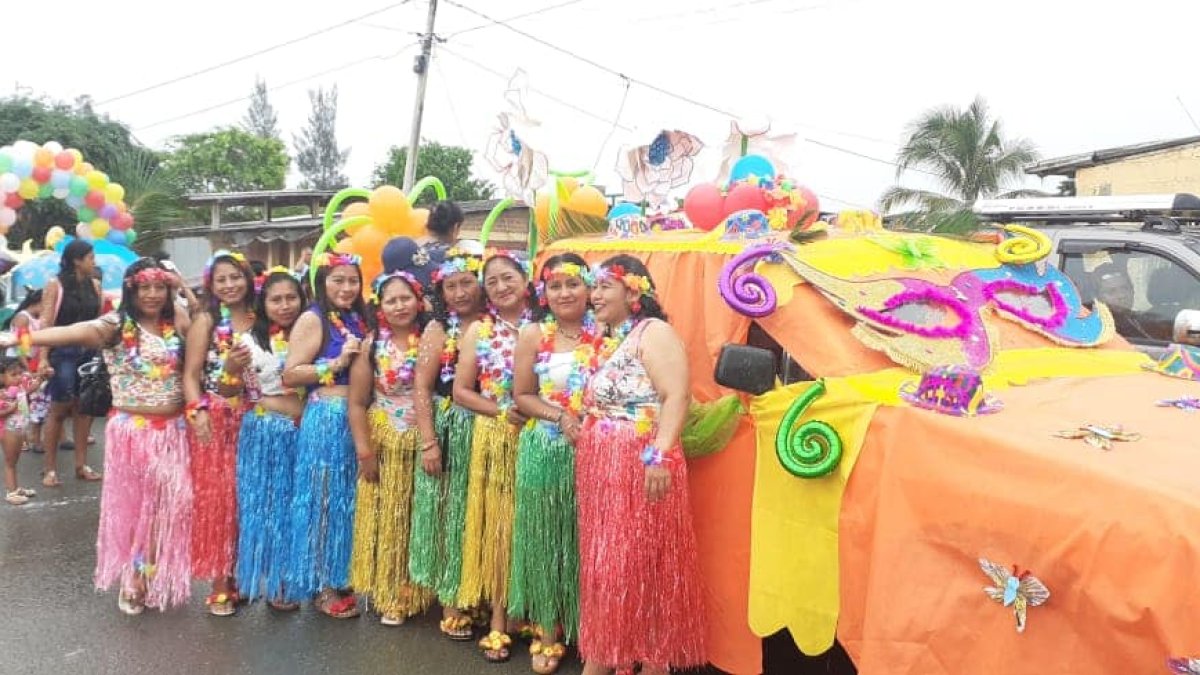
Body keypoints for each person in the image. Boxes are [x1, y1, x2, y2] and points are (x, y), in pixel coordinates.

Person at [2, 258, 194, 613]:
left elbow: (200, 344)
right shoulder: (114, 326)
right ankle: (133, 576)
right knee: (136, 508)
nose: (153, 295)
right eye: (144, 287)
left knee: (166, 507)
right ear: (131, 290)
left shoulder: (178, 319)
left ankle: (150, 568)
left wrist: (184, 288)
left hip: (173, 432)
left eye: (160, 287)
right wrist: (19, 338)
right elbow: (72, 331)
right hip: (133, 434)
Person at [575, 255, 705, 675]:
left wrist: (660, 454)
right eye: (593, 287)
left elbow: (676, 396)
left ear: (633, 290)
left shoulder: (654, 332)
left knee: (638, 569)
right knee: (608, 568)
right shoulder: (609, 337)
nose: (594, 296)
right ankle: (612, 654)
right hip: (604, 469)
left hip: (642, 465)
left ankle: (650, 663)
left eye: (604, 287)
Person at [511, 253, 599, 674]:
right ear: (544, 293)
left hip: (597, 453)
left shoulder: (608, 331)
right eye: (555, 286)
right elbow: (522, 395)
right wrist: (561, 416)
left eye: (572, 284)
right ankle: (548, 630)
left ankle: (590, 631)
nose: (564, 293)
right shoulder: (533, 333)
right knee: (548, 540)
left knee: (588, 543)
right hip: (546, 450)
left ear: (589, 288)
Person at [455, 249, 535, 664]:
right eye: (492, 282)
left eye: (508, 278)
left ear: (526, 279)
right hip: (498, 436)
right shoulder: (480, 330)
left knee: (537, 526)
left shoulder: (549, 325)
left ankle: (536, 613)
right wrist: (501, 411)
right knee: (502, 529)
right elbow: (461, 391)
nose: (502, 287)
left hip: (543, 438)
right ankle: (499, 619)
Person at [282, 252, 368, 618]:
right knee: (324, 501)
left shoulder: (356, 318)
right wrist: (336, 363)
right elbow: (291, 374)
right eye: (338, 280)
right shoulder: (313, 318)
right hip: (327, 420)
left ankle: (340, 574)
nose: (347, 288)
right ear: (322, 283)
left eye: (353, 280)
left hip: (357, 418)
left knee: (347, 502)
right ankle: (322, 585)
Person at [408, 246, 486, 641]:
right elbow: (422, 387)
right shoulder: (439, 329)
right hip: (451, 428)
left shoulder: (496, 324)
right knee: (451, 516)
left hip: (490, 430)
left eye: (466, 283)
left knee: (481, 513)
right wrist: (429, 442)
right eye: (451, 286)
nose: (459, 293)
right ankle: (452, 601)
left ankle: (480, 593)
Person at [348, 271, 433, 626]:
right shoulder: (372, 345)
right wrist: (365, 451)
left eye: (405, 298)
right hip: (388, 439)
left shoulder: (434, 337)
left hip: (428, 439)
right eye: (391, 300)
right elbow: (356, 402)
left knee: (424, 516)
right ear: (380, 307)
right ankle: (392, 593)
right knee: (392, 519)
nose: (400, 306)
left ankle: (426, 589)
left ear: (419, 300)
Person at [183, 250, 256, 616]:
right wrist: (196, 411)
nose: (229, 285)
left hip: (256, 417)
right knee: (219, 502)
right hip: (217, 418)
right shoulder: (206, 321)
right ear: (211, 285)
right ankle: (220, 582)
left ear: (248, 279)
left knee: (249, 499)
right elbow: (190, 375)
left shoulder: (262, 318)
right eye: (221, 279)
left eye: (236, 277)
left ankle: (244, 574)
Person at [235, 267, 306, 611]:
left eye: (291, 298)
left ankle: (310, 577)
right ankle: (277, 580)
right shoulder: (247, 342)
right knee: (272, 508)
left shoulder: (314, 332)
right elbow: (229, 389)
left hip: (309, 431)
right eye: (276, 299)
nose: (285, 305)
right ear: (262, 304)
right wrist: (229, 371)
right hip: (268, 432)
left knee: (303, 506)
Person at [39, 239, 103, 486]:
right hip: (62, 352)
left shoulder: (95, 285)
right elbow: (46, 323)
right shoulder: (55, 285)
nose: (94, 262)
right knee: (59, 408)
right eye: (90, 257)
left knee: (84, 408)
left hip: (88, 353)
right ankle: (49, 469)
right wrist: (43, 358)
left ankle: (81, 464)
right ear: (77, 260)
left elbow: (98, 322)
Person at [5, 289, 48, 454]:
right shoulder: (23, 317)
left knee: (27, 401)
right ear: (38, 302)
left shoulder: (37, 318)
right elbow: (21, 348)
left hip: (30, 362)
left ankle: (22, 436)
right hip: (18, 364)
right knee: (18, 400)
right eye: (45, 305)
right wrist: (28, 369)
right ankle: (18, 437)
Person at [1, 356, 43, 505]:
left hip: (19, 427)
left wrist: (39, 381)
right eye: (13, 375)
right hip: (8, 429)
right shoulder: (2, 393)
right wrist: (11, 409)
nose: (18, 377)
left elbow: (28, 392)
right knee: (10, 461)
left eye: (20, 373)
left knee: (15, 459)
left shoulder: (19, 389)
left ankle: (16, 488)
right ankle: (11, 492)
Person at [1093, 263, 1154, 340]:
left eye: (1125, 289)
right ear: (1098, 298)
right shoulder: (1099, 330)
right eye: (1111, 292)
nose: (1121, 296)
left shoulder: (1142, 320)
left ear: (1133, 290)